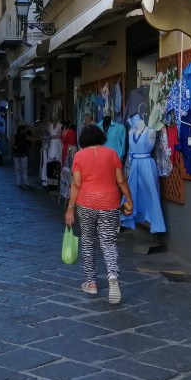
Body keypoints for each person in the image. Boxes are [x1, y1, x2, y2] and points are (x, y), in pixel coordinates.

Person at [64, 123, 134, 304]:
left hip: (86, 203)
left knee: (88, 241)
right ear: (102, 137)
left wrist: (70, 208)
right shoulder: (112, 154)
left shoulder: (79, 156)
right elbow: (121, 180)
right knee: (108, 242)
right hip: (110, 203)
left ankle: (92, 282)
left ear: (83, 140)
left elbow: (77, 184)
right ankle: (112, 276)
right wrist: (129, 200)